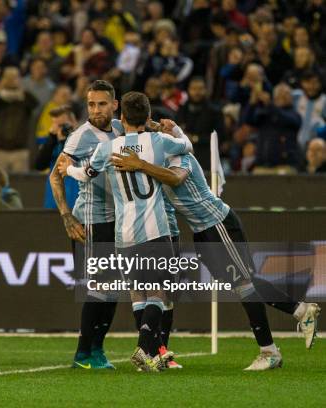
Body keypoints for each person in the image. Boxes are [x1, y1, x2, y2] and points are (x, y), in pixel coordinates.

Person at [111, 139, 321, 371]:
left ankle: (271, 349)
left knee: (244, 284)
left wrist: (140, 163)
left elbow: (175, 178)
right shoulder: (157, 160)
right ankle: (299, 312)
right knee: (240, 284)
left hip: (218, 224)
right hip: (202, 232)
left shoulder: (181, 156)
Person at [59, 92, 193, 372]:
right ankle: (145, 346)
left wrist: (68, 169)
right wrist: (175, 129)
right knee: (159, 291)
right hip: (155, 228)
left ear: (121, 118)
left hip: (124, 231)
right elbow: (187, 147)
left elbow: (86, 175)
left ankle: (146, 353)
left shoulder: (110, 148)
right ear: (147, 117)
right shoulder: (159, 142)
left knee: (136, 292)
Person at [48, 80, 124, 371]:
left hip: (117, 220)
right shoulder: (80, 138)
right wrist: (66, 217)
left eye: (102, 104)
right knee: (100, 287)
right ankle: (83, 353)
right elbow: (56, 176)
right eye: (91, 104)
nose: (96, 110)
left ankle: (97, 349)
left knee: (113, 287)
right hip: (92, 219)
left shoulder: (120, 130)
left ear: (114, 105)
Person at [35, 105, 79, 210]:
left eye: (64, 125)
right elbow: (39, 165)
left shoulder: (83, 141)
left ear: (74, 123)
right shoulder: (52, 142)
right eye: (57, 126)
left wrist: (67, 138)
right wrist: (52, 137)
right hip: (53, 204)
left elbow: (71, 156)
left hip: (76, 206)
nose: (61, 130)